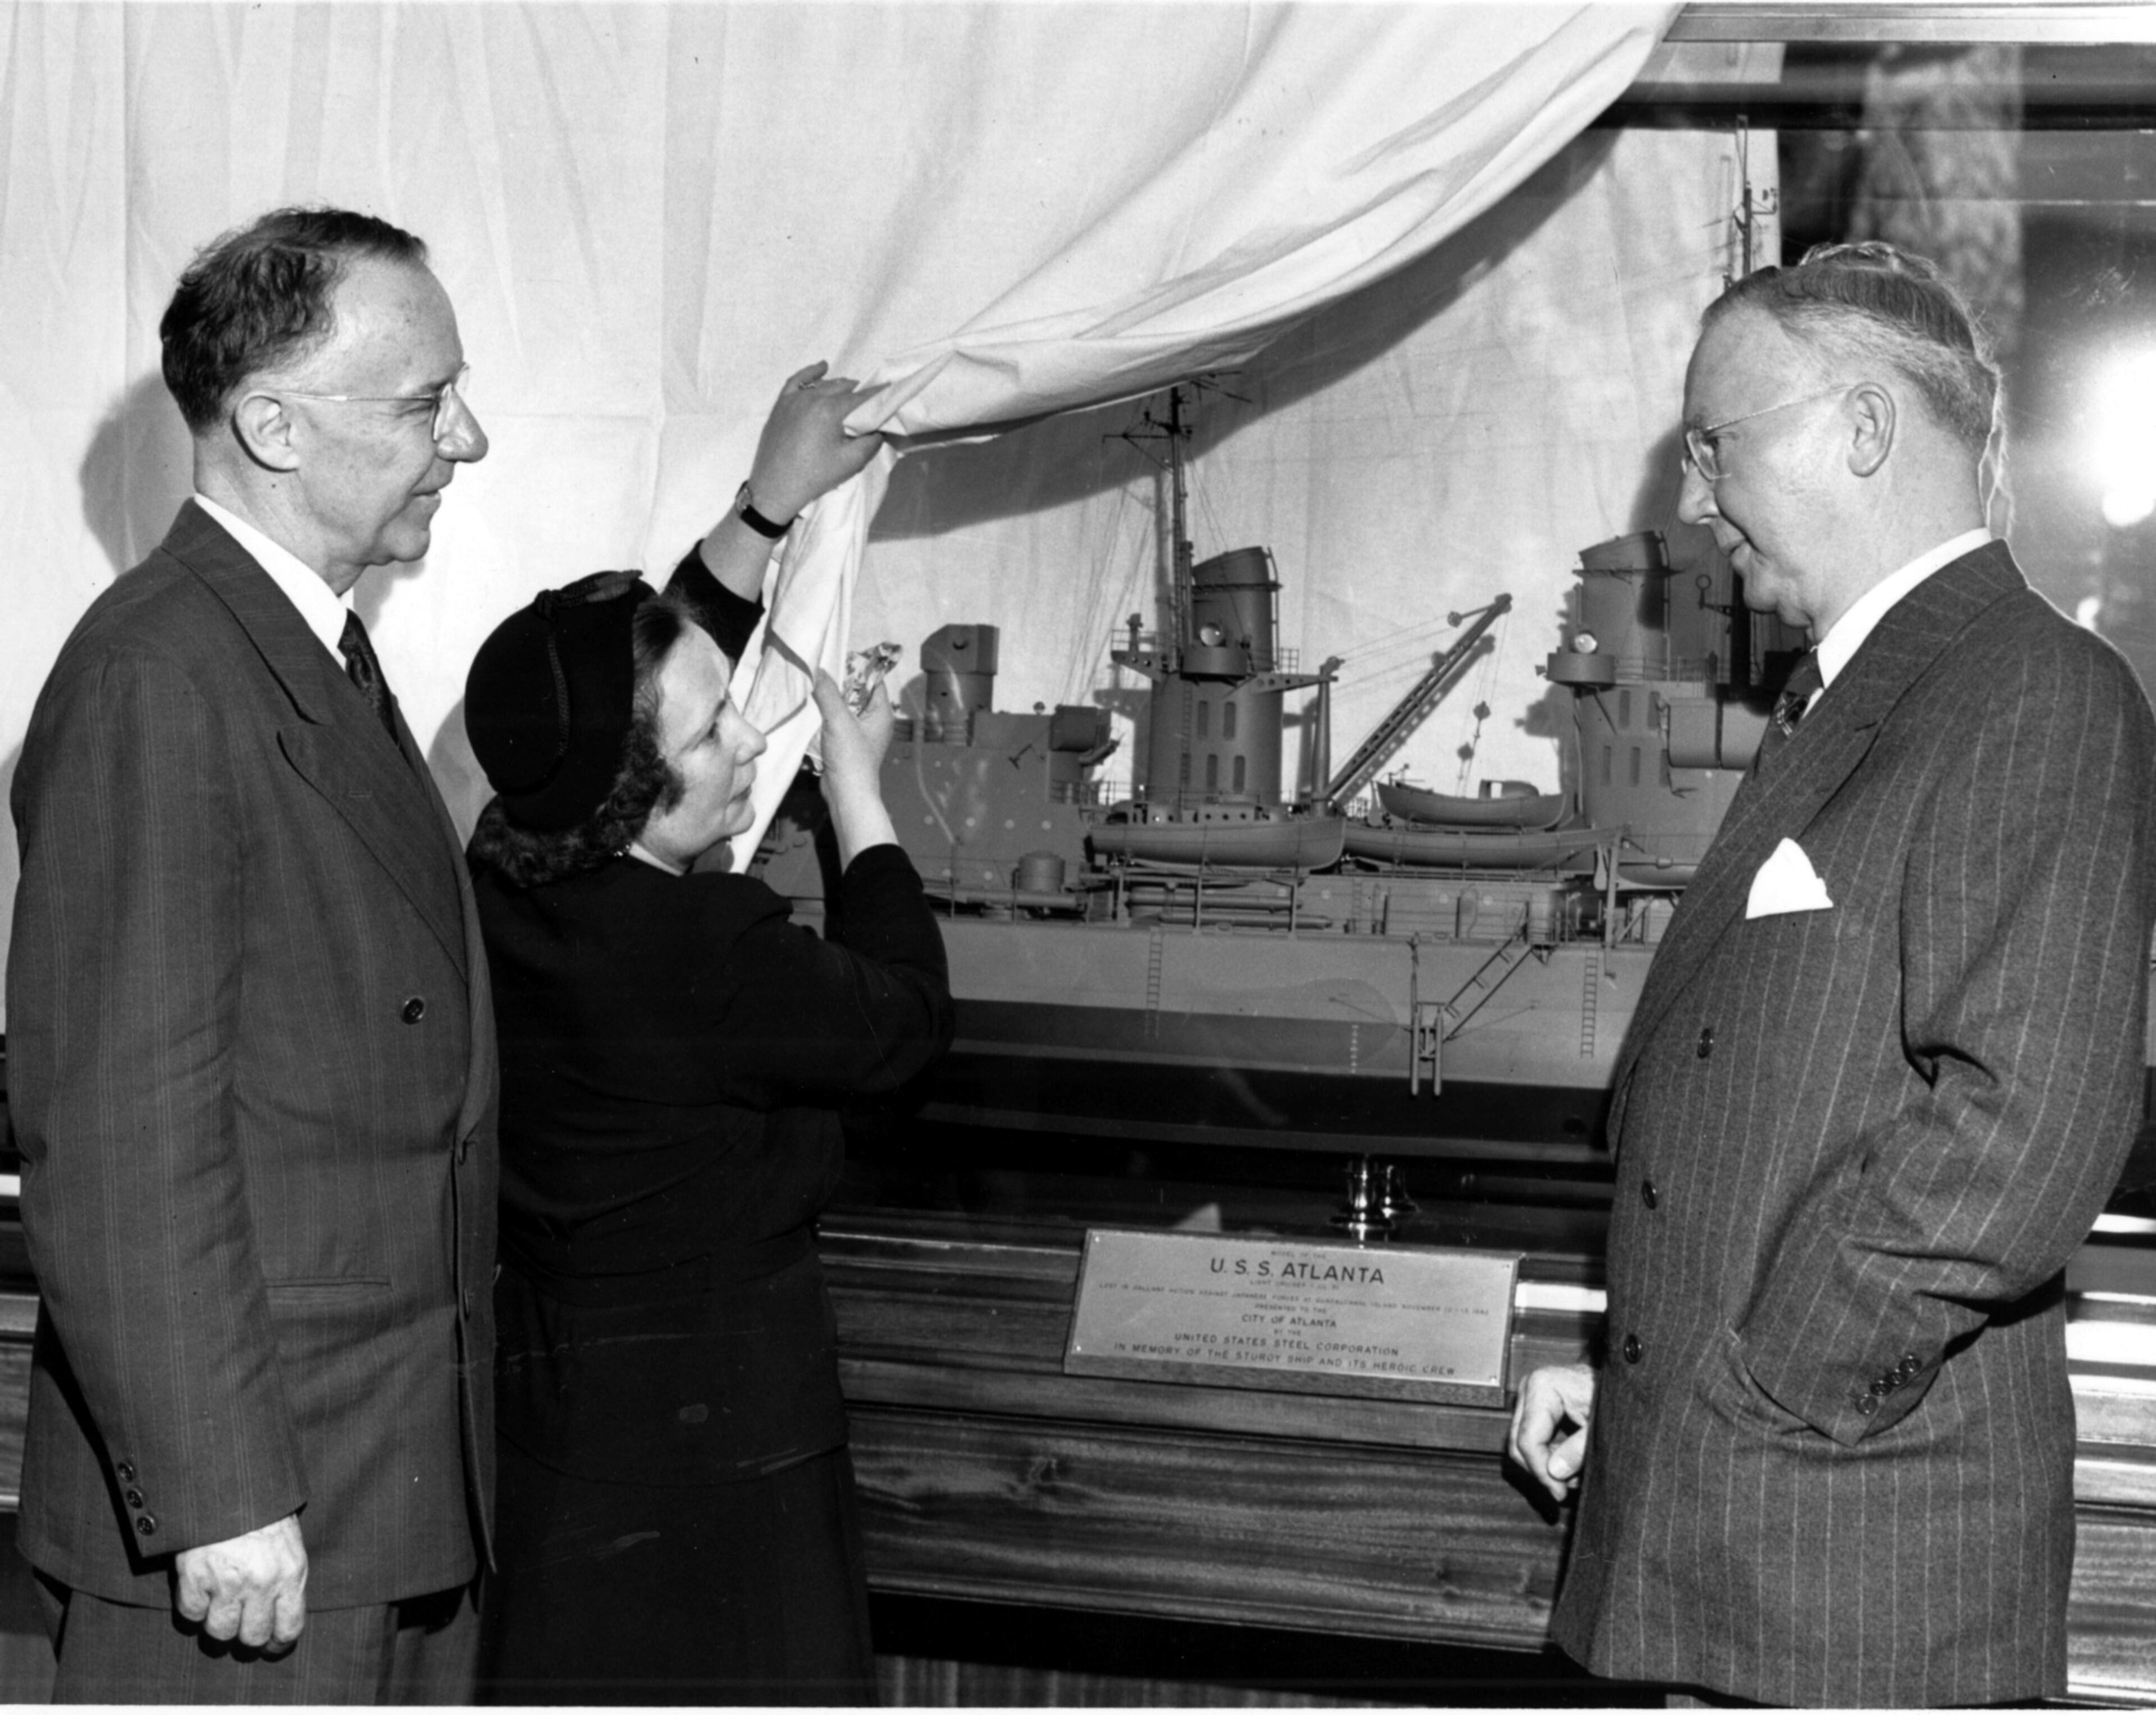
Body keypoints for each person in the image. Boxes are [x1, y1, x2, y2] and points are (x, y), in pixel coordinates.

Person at [1510, 241, 2156, 1707]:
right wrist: (1653, 1399)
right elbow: (1786, 1125)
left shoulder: (2033, 690)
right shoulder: (1861, 696)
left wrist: (1754, 1398)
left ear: (1863, 428)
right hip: (1765, 1562)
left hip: (1856, 1590)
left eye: (1715, 445)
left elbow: (2021, 1134)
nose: (1692, 499)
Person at [6, 207, 497, 1700]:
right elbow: (118, 1130)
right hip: (254, 1534)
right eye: (423, 403)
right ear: (272, 426)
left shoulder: (299, 652)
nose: (464, 439)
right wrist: (222, 1494)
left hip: (378, 1490)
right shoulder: (162, 671)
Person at [460, 369, 952, 1704]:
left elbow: (628, 681)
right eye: (719, 727)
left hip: (561, 1440)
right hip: (734, 1458)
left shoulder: (503, 881)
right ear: (633, 787)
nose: (752, 740)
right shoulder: (709, 949)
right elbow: (905, 1021)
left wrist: (767, 507)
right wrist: (860, 797)